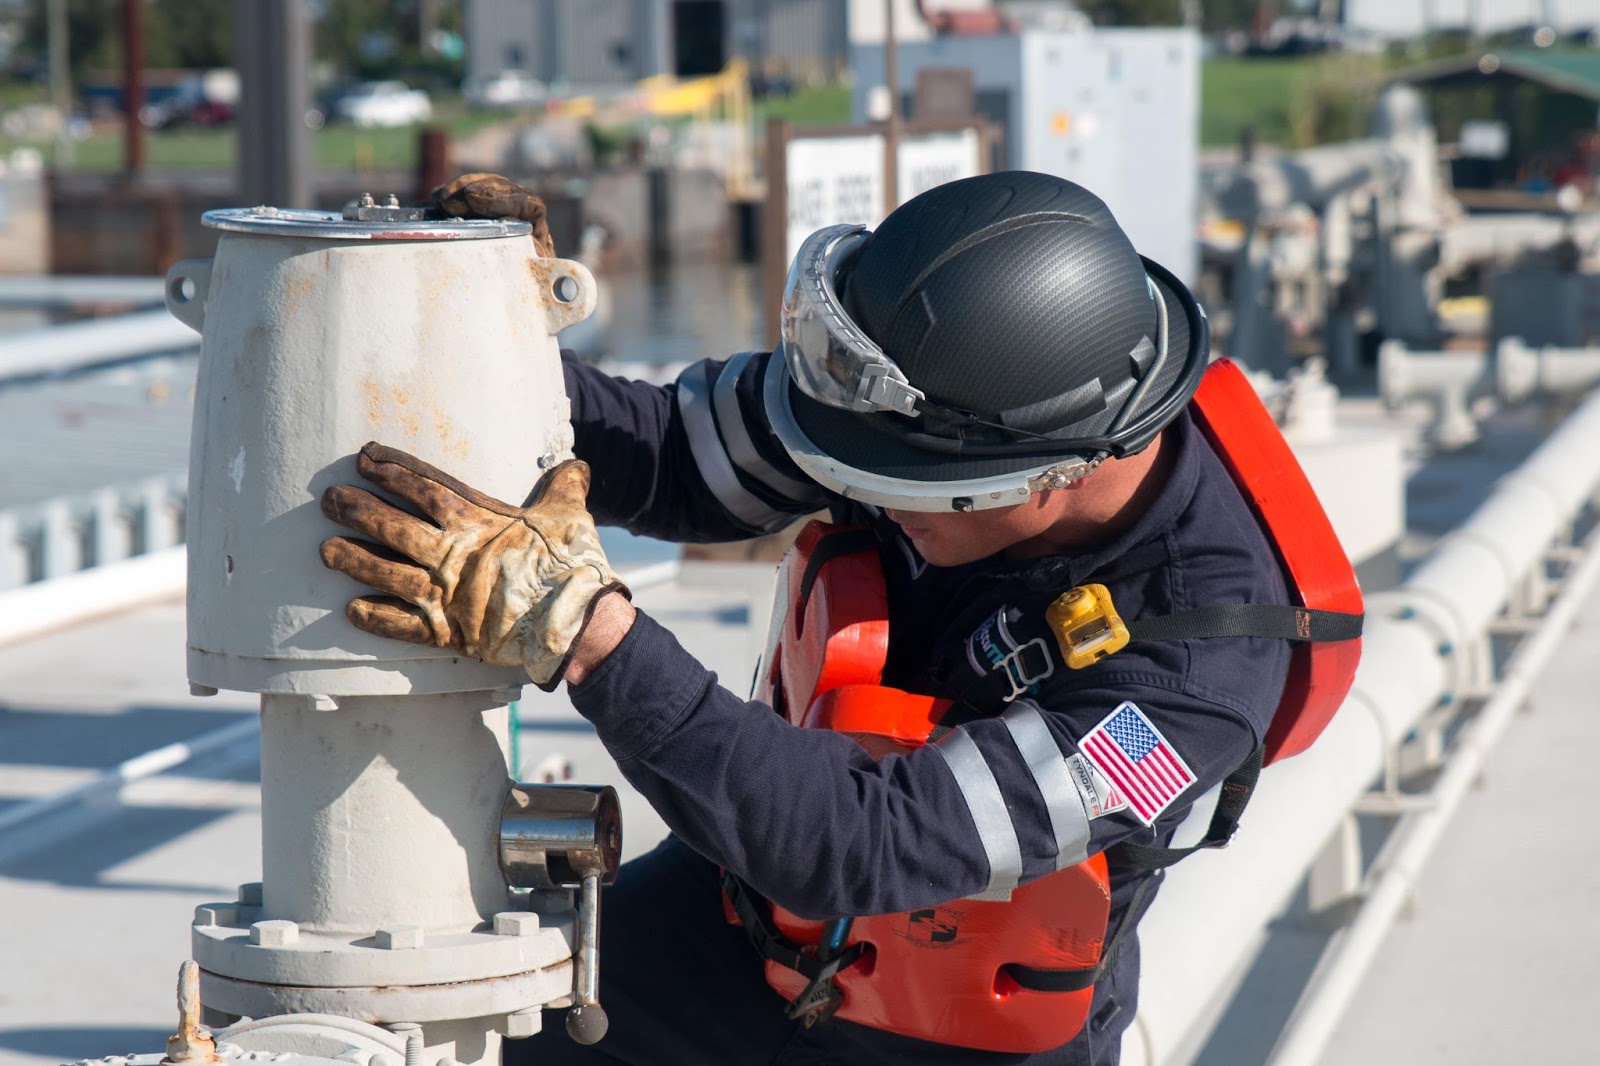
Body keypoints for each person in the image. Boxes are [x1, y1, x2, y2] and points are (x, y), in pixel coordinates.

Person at [319, 170, 1295, 1064]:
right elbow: (675, 455)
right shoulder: (928, 400)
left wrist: (582, 628)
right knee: (492, 1029)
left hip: (953, 1023)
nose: (853, 484)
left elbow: (865, 842)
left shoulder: (1190, 685)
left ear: (1046, 478)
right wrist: (491, 349)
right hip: (755, 914)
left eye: (899, 482)